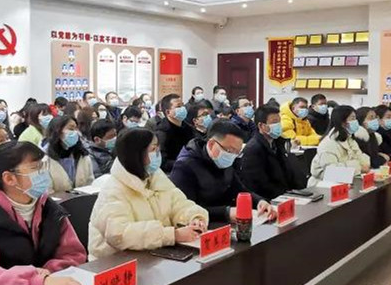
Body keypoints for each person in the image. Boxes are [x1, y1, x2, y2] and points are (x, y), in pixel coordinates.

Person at [0, 141, 87, 285]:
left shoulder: (48, 207)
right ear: (9, 178)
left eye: (42, 166)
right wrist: (37, 280)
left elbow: (74, 254)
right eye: (35, 168)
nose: (43, 173)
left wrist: (48, 274)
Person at [88, 127, 207, 258]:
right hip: (115, 261)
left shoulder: (154, 176)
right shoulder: (113, 190)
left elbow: (178, 203)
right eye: (153, 149)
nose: (158, 153)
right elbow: (119, 234)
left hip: (153, 253)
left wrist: (194, 218)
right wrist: (172, 235)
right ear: (136, 154)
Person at [170, 121, 276, 224]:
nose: (232, 156)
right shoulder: (185, 166)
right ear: (211, 144)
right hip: (203, 226)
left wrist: (260, 201)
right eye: (230, 150)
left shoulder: (224, 161)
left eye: (237, 153)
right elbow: (185, 210)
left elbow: (239, 189)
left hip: (227, 223)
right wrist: (225, 212)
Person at [239, 105, 308, 201]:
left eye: (279, 122)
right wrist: (283, 195)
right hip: (269, 200)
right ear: (261, 126)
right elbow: (258, 184)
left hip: (286, 195)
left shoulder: (278, 143)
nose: (278, 125)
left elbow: (288, 172)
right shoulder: (253, 149)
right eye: (274, 122)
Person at [309, 105, 370, 185]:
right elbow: (332, 173)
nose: (356, 122)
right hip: (323, 185)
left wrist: (361, 166)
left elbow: (362, 160)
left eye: (355, 118)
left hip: (347, 181)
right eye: (352, 119)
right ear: (342, 122)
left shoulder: (349, 139)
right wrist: (358, 167)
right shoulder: (328, 144)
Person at [44, 116, 94, 192]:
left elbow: (90, 183)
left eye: (76, 129)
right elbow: (47, 191)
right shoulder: (45, 161)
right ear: (57, 131)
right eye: (71, 129)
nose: (75, 132)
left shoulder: (83, 157)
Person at [154, 94, 194, 174]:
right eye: (178, 106)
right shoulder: (162, 132)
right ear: (168, 112)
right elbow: (162, 162)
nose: (183, 108)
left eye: (183, 105)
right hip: (172, 172)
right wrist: (184, 164)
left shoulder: (188, 127)